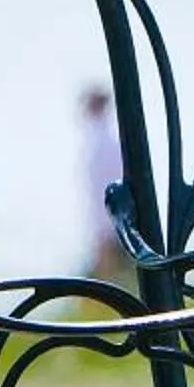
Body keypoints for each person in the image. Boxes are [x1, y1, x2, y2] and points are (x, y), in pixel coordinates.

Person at [78, 86, 139, 289]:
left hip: (110, 226)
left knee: (115, 286)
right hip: (123, 223)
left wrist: (102, 234)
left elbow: (100, 192)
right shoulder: (111, 140)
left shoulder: (99, 143)